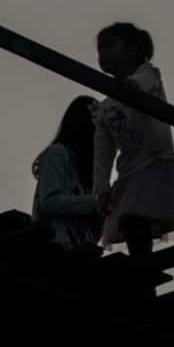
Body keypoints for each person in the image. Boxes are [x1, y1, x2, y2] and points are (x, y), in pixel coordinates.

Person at [92, 22, 174, 265]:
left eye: (109, 46)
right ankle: (142, 270)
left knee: (134, 220)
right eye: (100, 49)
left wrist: (131, 87)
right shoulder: (105, 107)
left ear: (132, 49)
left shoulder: (149, 75)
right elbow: (103, 152)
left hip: (155, 164)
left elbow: (143, 83)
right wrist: (101, 187)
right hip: (130, 173)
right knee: (131, 225)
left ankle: (143, 269)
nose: (102, 54)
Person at [31, 96, 102, 250]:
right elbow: (49, 202)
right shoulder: (58, 153)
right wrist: (95, 203)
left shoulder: (90, 172)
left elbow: (93, 233)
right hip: (53, 248)